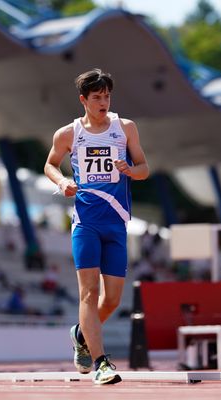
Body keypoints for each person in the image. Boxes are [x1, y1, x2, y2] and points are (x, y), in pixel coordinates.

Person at [44, 68, 149, 385]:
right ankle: (101, 362)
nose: (103, 102)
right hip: (86, 222)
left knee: (113, 300)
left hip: (116, 223)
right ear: (83, 100)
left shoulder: (125, 128)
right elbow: (50, 164)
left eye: (107, 96)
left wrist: (129, 170)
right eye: (97, 97)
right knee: (88, 293)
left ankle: (80, 334)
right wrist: (62, 181)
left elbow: (144, 168)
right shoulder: (69, 134)